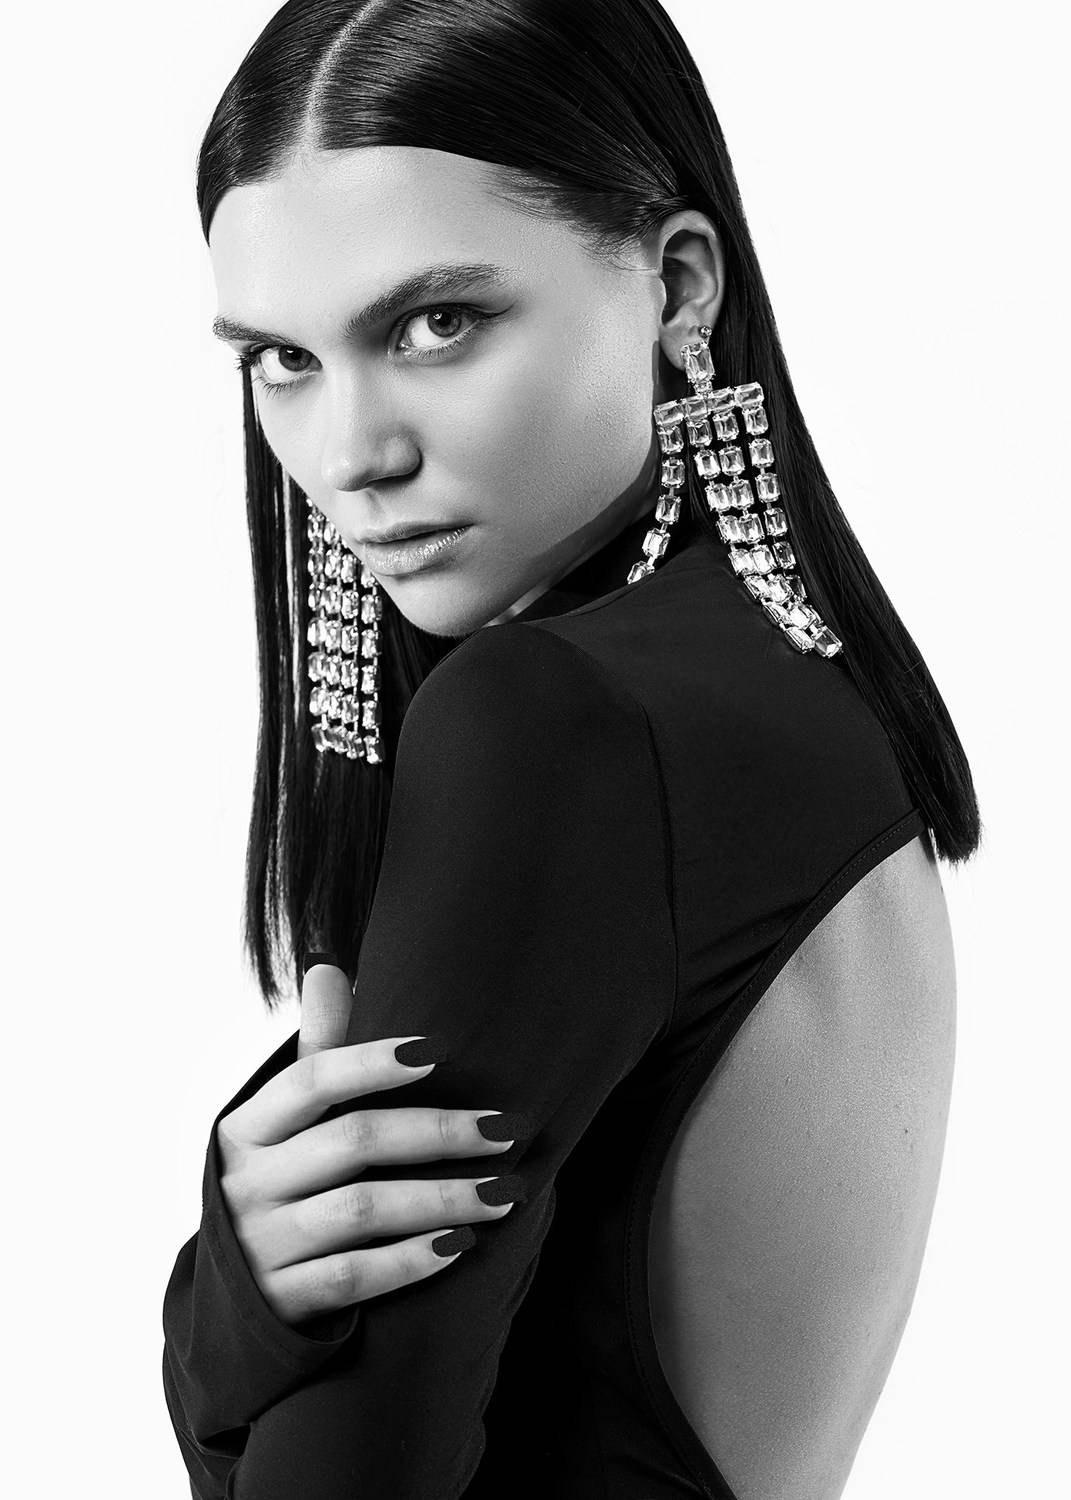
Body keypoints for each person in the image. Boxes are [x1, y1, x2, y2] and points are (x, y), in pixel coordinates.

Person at [161, 2, 980, 1496]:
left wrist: (222, 1330)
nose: (350, 454)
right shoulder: (803, 699)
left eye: (437, 324)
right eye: (282, 358)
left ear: (677, 284)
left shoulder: (554, 726)